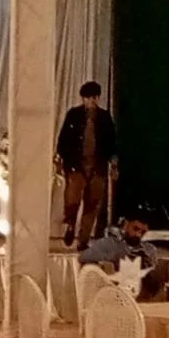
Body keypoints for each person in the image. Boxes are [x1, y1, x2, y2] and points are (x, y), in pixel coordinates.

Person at [56, 80, 117, 250]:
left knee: (92, 204)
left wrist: (114, 164)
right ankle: (70, 224)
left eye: (95, 97)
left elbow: (112, 142)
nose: (92, 101)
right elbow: (63, 139)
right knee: (72, 201)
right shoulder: (73, 115)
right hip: (76, 166)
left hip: (97, 167)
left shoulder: (104, 117)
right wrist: (60, 160)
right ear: (83, 98)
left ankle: (83, 240)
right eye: (89, 97)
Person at [79, 213, 162, 298]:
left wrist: (146, 265)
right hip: (110, 293)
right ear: (126, 225)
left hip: (138, 295)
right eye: (135, 229)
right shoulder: (109, 244)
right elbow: (84, 258)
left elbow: (156, 282)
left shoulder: (149, 250)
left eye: (143, 232)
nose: (138, 234)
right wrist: (110, 261)